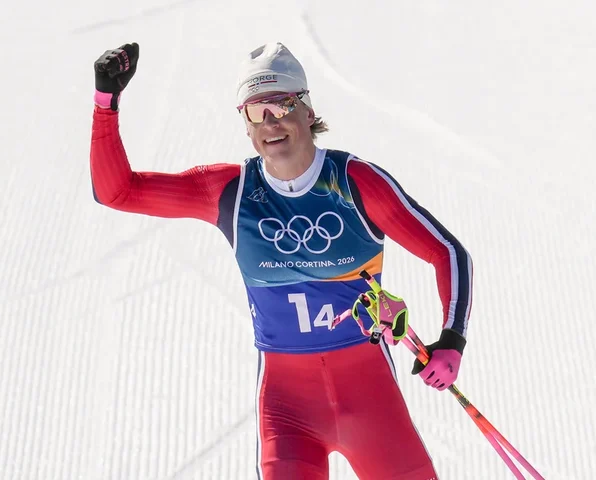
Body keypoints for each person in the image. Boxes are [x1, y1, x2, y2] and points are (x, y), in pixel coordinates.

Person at [90, 41, 473, 480]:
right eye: (255, 112)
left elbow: (446, 252)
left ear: (307, 110)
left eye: (281, 105)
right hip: (288, 415)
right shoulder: (230, 192)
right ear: (245, 124)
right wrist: (106, 103)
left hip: (371, 402)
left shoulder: (356, 183)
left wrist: (452, 340)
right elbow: (116, 191)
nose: (270, 122)